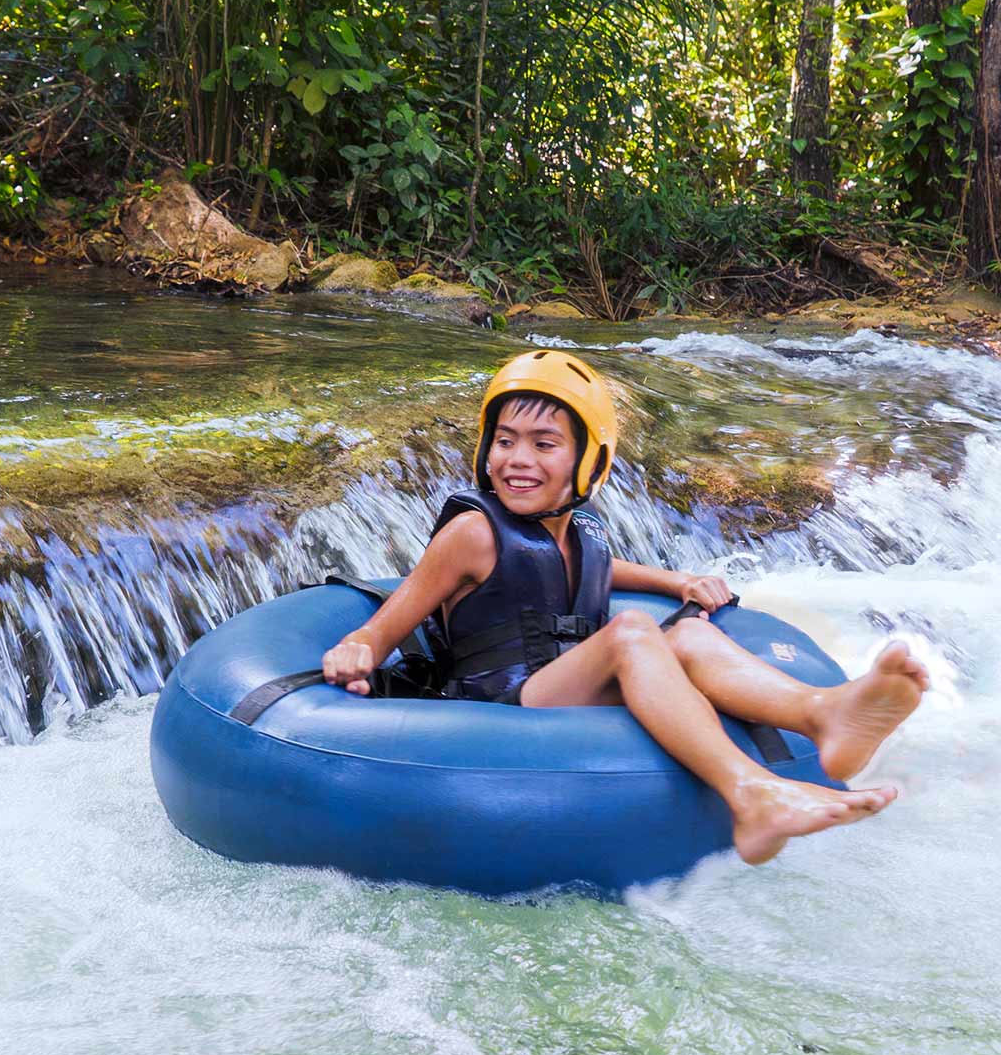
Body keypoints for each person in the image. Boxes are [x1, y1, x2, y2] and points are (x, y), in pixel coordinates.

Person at [322, 351, 929, 865]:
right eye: (504, 441)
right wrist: (359, 649)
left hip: (562, 686)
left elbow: (597, 570)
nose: (517, 459)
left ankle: (823, 714)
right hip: (498, 704)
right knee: (633, 633)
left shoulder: (580, 529)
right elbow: (389, 622)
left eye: (544, 444)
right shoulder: (471, 534)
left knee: (687, 637)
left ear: (590, 461)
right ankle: (751, 794)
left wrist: (677, 581)